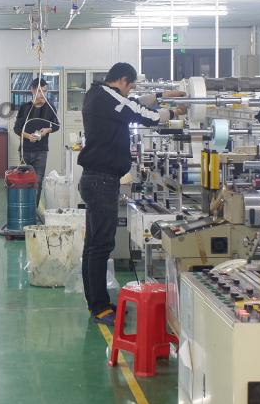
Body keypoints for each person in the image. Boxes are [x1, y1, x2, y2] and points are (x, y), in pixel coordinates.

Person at [75, 63, 178, 326]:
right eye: (130, 86)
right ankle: (99, 307)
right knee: (100, 246)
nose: (130, 91)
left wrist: (161, 95)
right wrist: (174, 111)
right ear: (122, 80)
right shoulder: (107, 98)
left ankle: (96, 302)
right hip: (102, 181)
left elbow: (132, 103)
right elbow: (145, 115)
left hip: (96, 179)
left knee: (94, 245)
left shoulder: (99, 95)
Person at [12, 78, 61, 195]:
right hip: (25, 150)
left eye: (45, 91)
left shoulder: (50, 107)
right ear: (32, 91)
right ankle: (27, 205)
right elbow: (17, 129)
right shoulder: (25, 107)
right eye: (39, 91)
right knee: (25, 182)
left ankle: (35, 206)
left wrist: (47, 130)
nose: (42, 94)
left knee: (37, 183)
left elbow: (57, 126)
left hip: (41, 151)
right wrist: (28, 136)